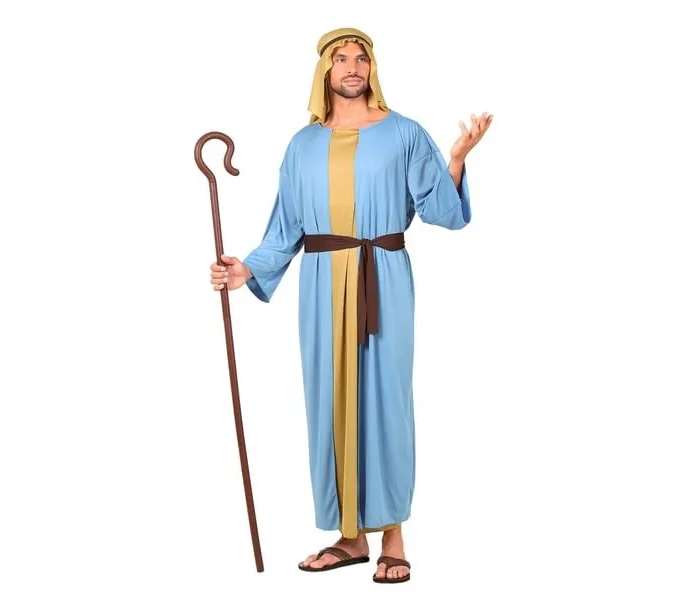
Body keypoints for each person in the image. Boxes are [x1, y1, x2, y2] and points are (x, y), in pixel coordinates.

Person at [210, 27, 492, 583]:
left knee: (386, 399)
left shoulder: (403, 132)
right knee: (329, 399)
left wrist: (456, 158)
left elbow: (441, 211)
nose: (353, 66)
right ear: (325, 71)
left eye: (361, 57)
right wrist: (247, 269)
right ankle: (349, 536)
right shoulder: (302, 145)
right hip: (321, 282)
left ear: (372, 68)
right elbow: (286, 227)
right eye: (341, 58)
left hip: (382, 276)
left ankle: (393, 536)